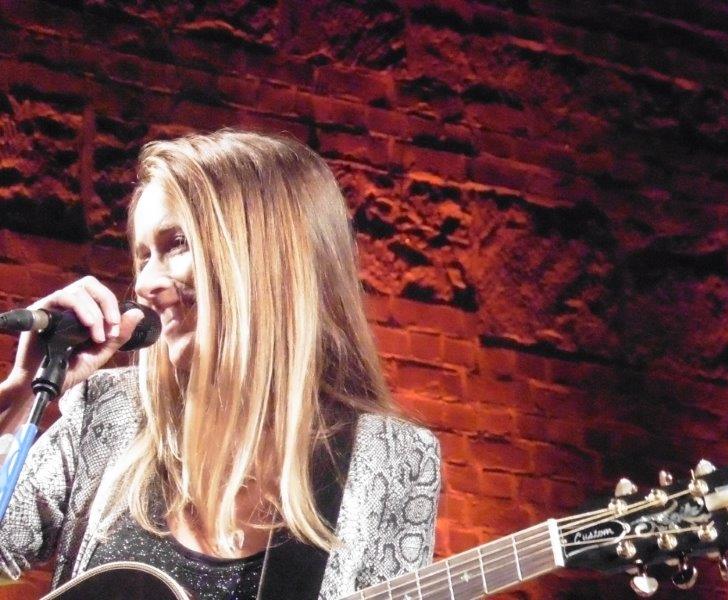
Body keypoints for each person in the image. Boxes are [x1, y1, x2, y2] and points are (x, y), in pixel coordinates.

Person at [0, 130, 441, 599]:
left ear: (266, 258)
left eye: (177, 244)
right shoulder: (109, 412)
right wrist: (21, 390)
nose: (144, 284)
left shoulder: (392, 458)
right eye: (143, 256)